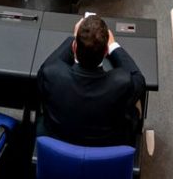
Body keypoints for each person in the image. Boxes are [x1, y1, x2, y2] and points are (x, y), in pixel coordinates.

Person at [36, 13, 146, 148]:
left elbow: (45, 68)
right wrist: (113, 45)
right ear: (105, 51)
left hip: (59, 145)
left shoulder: (52, 75)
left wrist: (74, 37)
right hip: (107, 150)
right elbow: (139, 79)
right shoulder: (121, 83)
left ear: (75, 47)